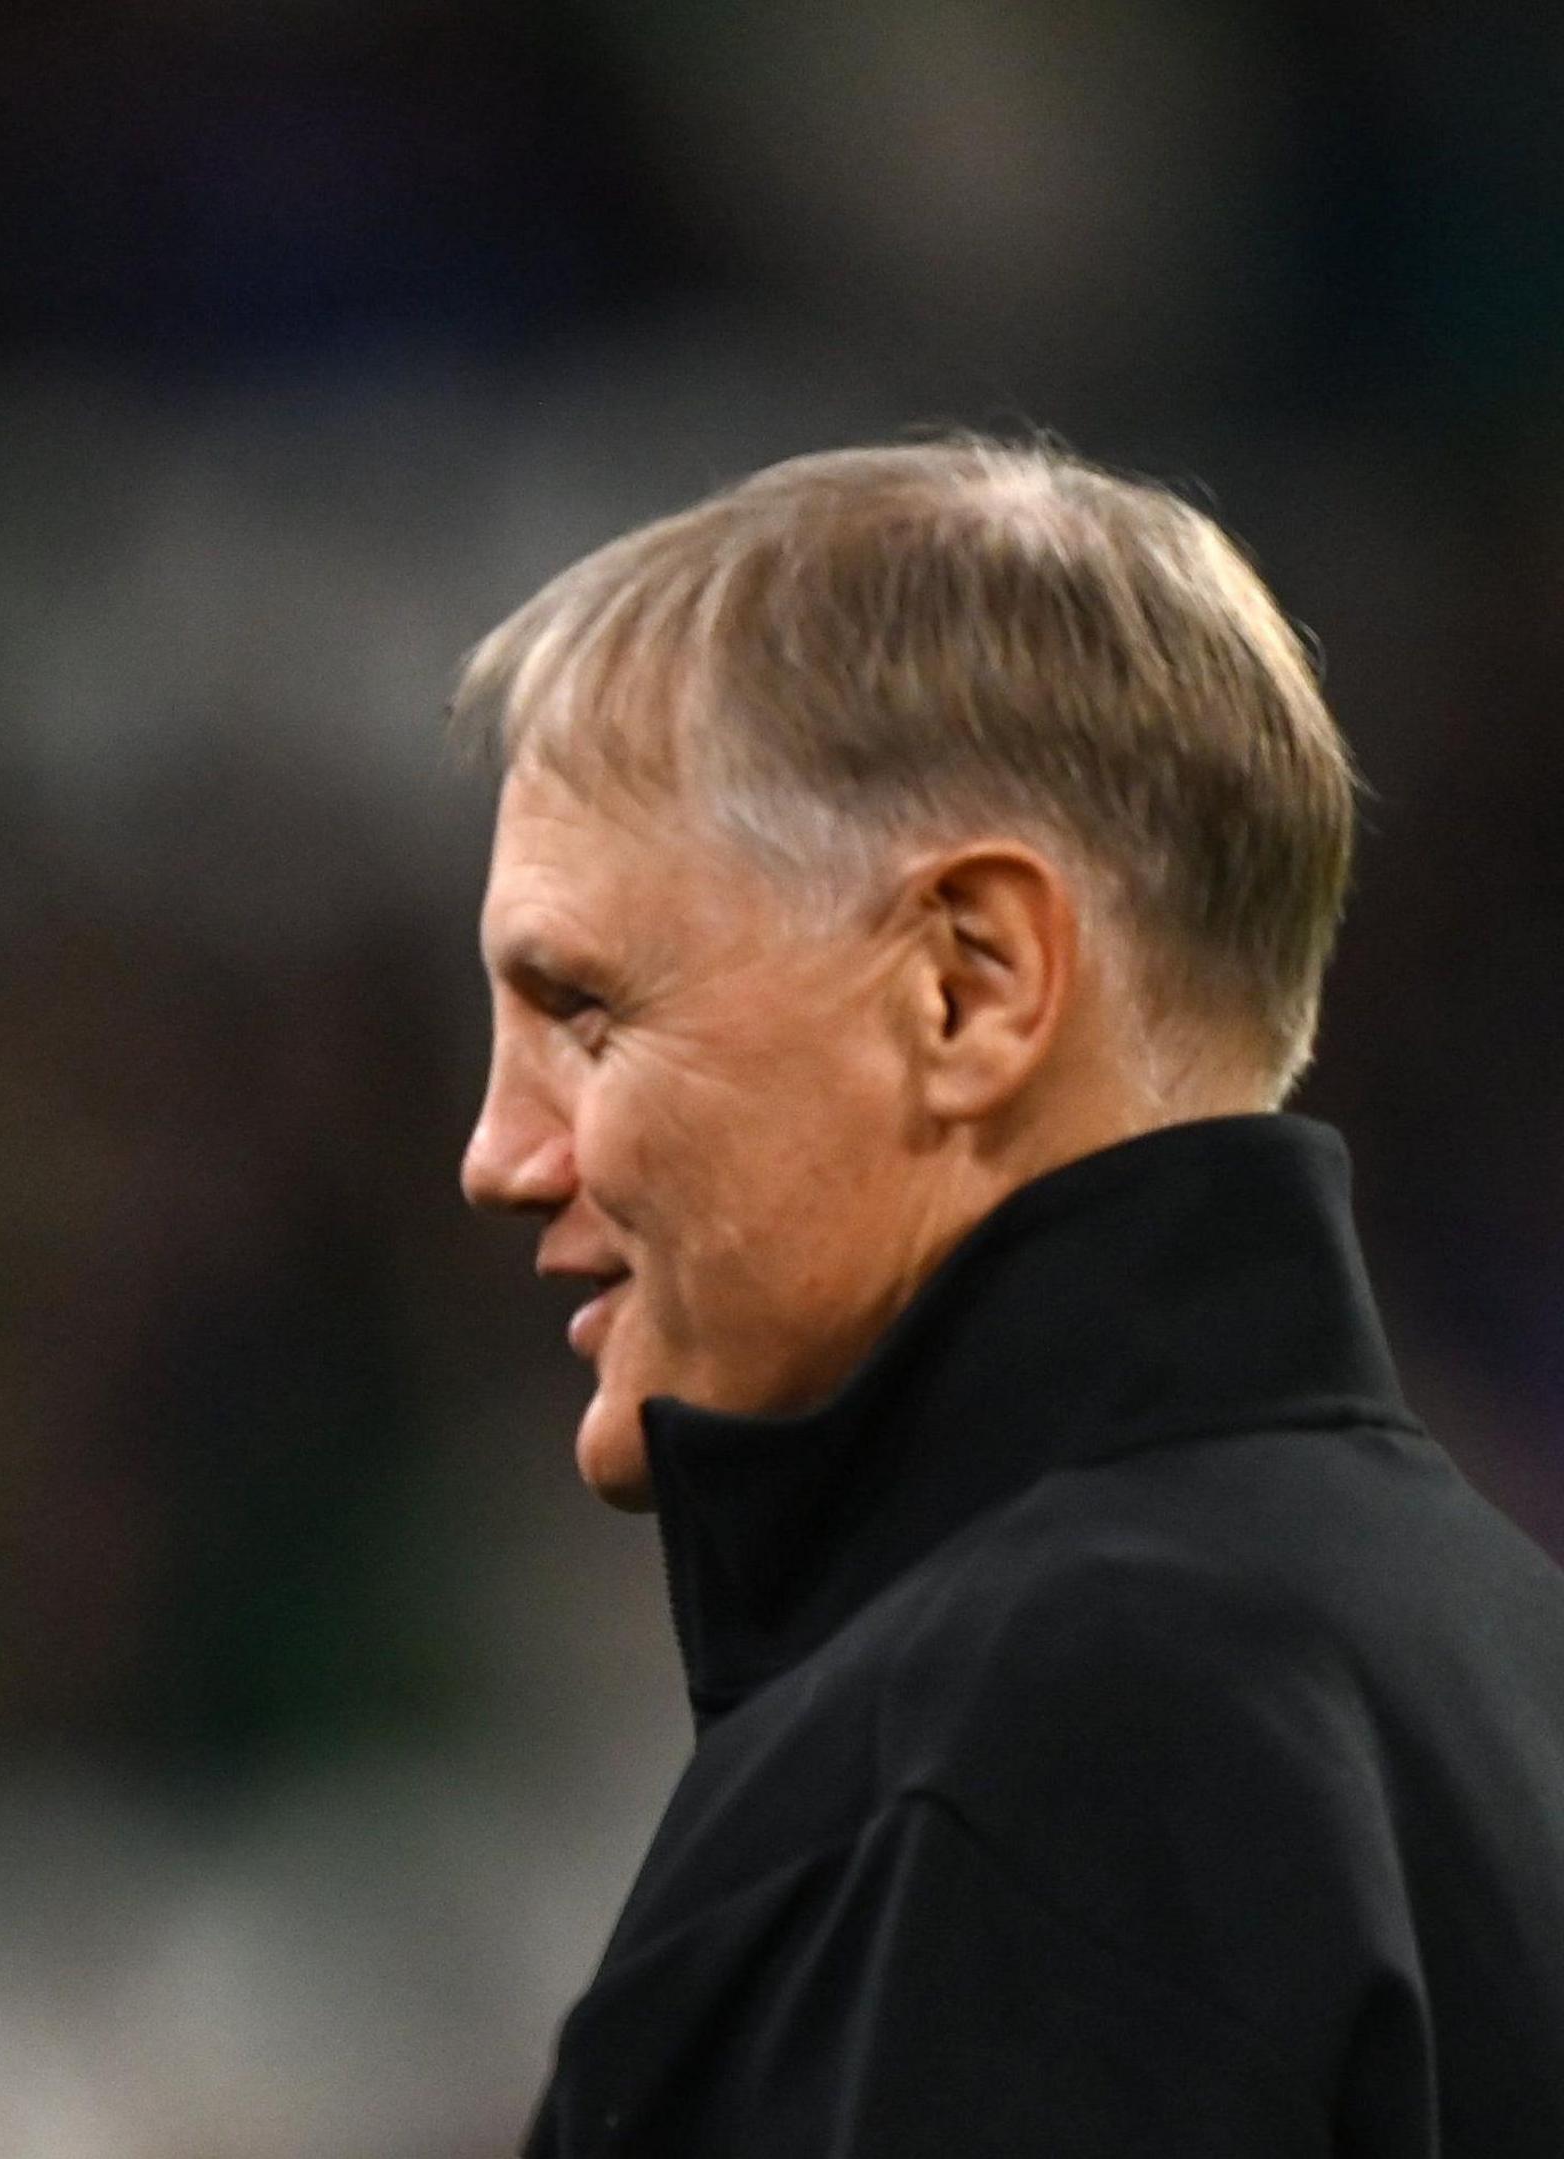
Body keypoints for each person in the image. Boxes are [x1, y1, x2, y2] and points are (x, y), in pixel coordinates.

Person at [460, 439, 1564, 2154]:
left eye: (588, 1010)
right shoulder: (1502, 1661)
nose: (498, 1154)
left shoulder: (1028, 1752)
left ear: (970, 986)